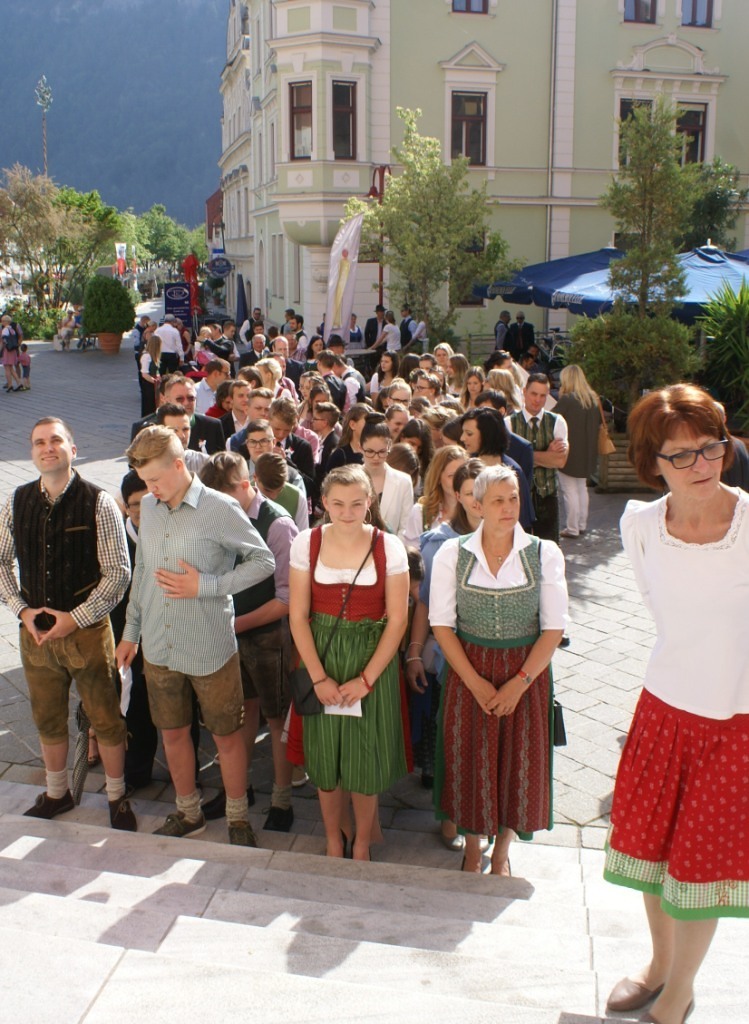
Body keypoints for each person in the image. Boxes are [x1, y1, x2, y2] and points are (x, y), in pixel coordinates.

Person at [604, 383, 749, 1023]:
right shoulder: (639, 525)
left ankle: (680, 992)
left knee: (700, 868)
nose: (702, 464)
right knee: (652, 852)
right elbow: (660, 612)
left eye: (711, 447)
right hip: (663, 711)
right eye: (682, 454)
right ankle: (659, 966)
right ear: (652, 462)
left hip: (735, 722)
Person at [116, 426, 275, 846]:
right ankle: (188, 813)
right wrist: (131, 632)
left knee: (226, 736)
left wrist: (207, 585)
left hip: (210, 646)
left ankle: (237, 818)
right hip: (159, 645)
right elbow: (143, 571)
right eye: (144, 481)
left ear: (178, 465)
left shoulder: (220, 508)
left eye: (155, 479)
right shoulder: (150, 508)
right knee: (171, 733)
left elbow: (263, 562)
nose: (150, 490)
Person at [430, 464, 568, 873]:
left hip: (525, 671)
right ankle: (473, 850)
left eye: (513, 499)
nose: (508, 508)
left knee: (518, 762)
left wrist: (518, 684)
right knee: (468, 759)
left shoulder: (544, 553)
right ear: (477, 506)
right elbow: (442, 624)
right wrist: (474, 683)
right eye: (497, 501)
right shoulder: (453, 553)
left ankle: (503, 853)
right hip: (468, 669)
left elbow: (554, 629)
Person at [0, 417, 135, 830]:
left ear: (72, 450)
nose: (48, 448)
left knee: (106, 717)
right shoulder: (17, 500)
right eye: (39, 442)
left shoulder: (98, 501)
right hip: (36, 635)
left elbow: (119, 573)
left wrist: (75, 618)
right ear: (32, 452)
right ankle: (57, 793)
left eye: (56, 440)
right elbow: (0, 561)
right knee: (47, 717)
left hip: (88, 634)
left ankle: (117, 797)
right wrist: (21, 610)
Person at [288, 465, 409, 860]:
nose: (347, 512)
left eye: (356, 503)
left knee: (365, 759)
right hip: (321, 656)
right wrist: (318, 678)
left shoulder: (389, 546)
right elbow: (297, 616)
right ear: (324, 502)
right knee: (325, 756)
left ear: (369, 502)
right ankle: (333, 838)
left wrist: (367, 679)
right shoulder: (306, 543)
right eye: (338, 503)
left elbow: (398, 620)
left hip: (370, 659)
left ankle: (361, 842)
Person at [199, 452, 298, 832]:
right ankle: (237, 791)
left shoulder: (277, 525)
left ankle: (282, 798)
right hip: (231, 634)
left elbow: (287, 599)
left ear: (245, 486)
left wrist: (234, 624)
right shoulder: (217, 515)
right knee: (238, 716)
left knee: (276, 718)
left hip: (269, 636)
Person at [506, 373, 568, 543]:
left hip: (547, 496)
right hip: (518, 496)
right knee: (519, 545)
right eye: (534, 394)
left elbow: (560, 461)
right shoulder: (509, 423)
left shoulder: (557, 421)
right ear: (524, 391)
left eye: (542, 395)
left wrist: (524, 456)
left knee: (549, 546)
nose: (537, 400)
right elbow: (508, 461)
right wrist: (547, 454)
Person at [460, 408, 535, 530]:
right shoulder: (465, 467)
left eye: (469, 434)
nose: (462, 438)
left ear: (487, 435)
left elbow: (523, 521)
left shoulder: (513, 471)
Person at [553, 365, 601, 538]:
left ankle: (572, 527)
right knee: (581, 488)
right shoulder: (592, 399)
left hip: (570, 451)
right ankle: (581, 524)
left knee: (569, 490)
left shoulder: (567, 400)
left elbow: (552, 419)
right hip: (588, 451)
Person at [402, 445, 467, 549]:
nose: (458, 481)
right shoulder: (420, 514)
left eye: (463, 475)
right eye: (451, 476)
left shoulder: (476, 512)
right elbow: (412, 553)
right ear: (438, 478)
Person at [360, 419, 414, 541]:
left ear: (389, 447)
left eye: (382, 452)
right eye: (370, 451)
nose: (376, 457)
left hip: (391, 548)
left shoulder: (404, 482)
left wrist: (391, 549)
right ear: (361, 448)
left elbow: (406, 528)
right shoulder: (350, 479)